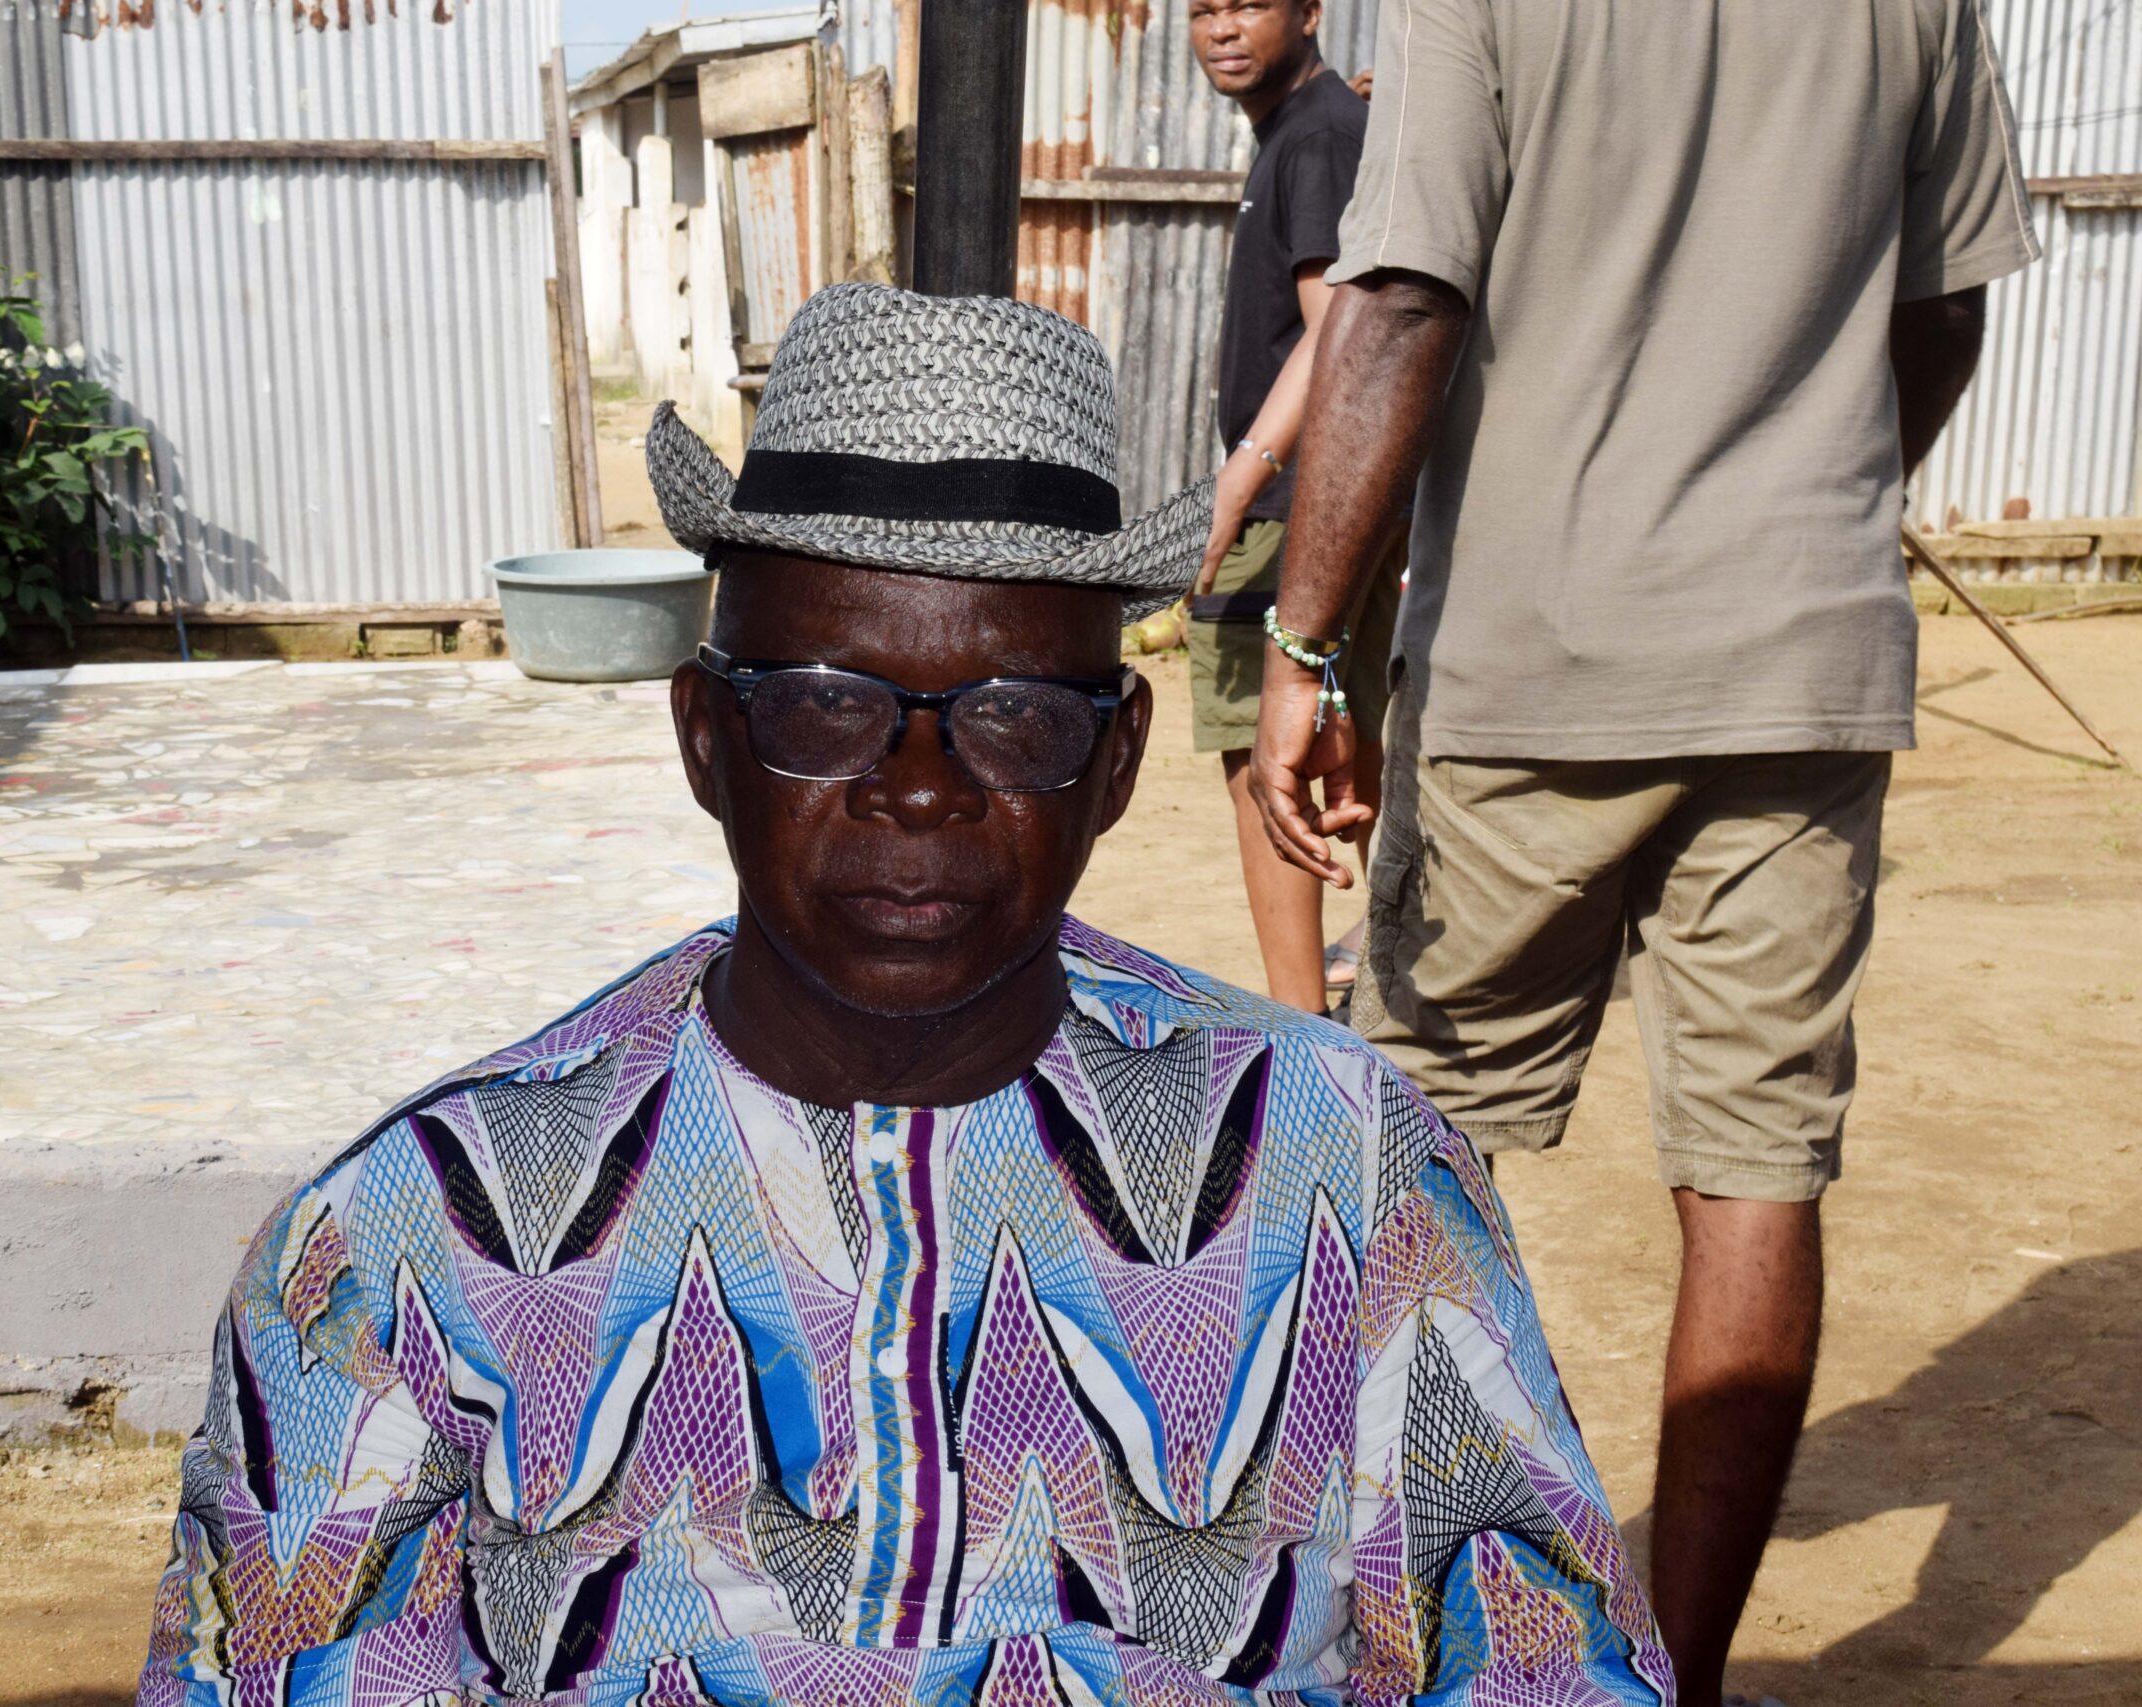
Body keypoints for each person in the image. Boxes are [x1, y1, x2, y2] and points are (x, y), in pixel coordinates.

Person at [136, 285, 1670, 1706]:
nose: (919, 787)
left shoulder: (1349, 1169)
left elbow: (1548, 1669)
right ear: (705, 736)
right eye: (826, 704)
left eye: (1014, 714)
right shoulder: (405, 1239)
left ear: (1117, 761)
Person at [1239, 2, 2036, 1702]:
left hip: (1534, 662)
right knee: (1757, 1166)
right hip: (1800, 659)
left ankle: (1415, 1650)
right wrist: (1808, 510)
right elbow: (1946, 304)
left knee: (1420, 1155)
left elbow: (1402, 299)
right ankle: (1680, 1678)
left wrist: (1305, 642)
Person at [1182, 0, 1386, 1014]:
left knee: (1268, 758)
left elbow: (1338, 332)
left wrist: (1245, 469)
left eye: (1248, 5)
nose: (1222, 29)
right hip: (1309, 496)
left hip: (1298, 505)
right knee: (1327, 748)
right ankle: (1337, 1000)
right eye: (1203, 10)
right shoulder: (1304, 132)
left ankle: (1301, 1028)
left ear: (1310, 13)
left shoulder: (1316, 138)